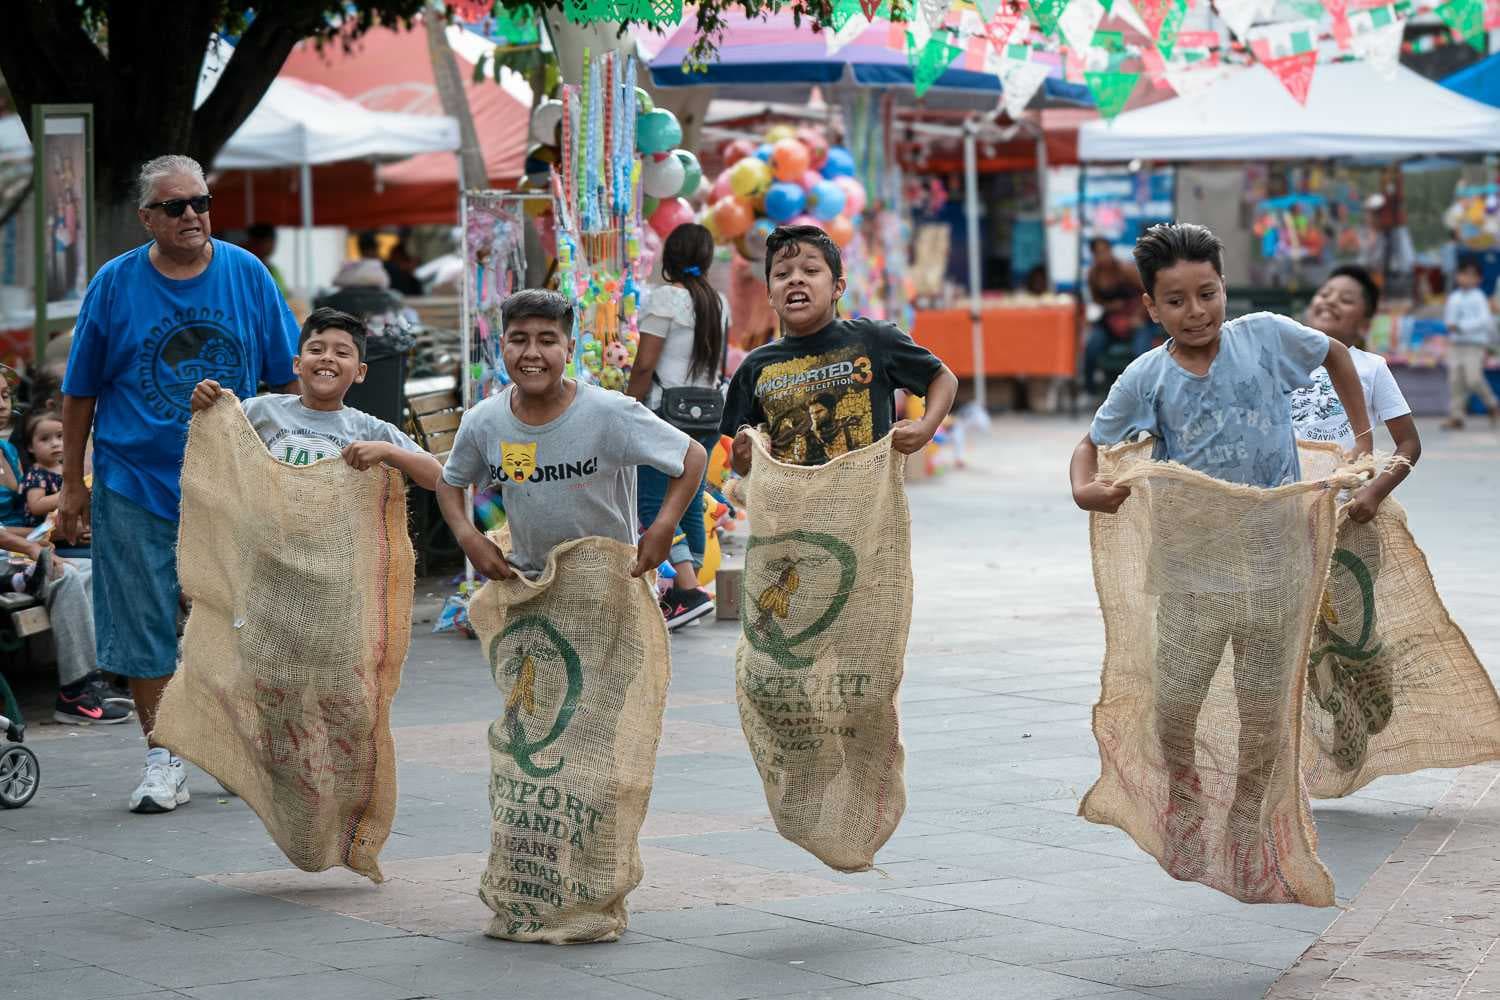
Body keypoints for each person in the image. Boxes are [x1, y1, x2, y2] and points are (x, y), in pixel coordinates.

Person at [1069, 222, 1373, 885]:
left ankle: (1245, 819)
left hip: (1275, 565)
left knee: (1264, 714)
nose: (1196, 311)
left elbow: (1336, 355)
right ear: (1151, 307)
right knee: (1174, 707)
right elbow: (1090, 443)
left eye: (1207, 293)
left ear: (1224, 288)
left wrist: (1362, 440)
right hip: (1189, 572)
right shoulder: (1146, 376)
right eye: (1175, 301)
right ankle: (1183, 796)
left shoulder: (1264, 337)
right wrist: (1083, 488)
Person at [59, 154, 300, 813]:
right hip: (134, 478)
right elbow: (79, 391)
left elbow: (285, 381)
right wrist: (73, 484)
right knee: (143, 624)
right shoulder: (114, 284)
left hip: (233, 481)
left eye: (202, 202)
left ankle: (227, 742)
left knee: (237, 619)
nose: (193, 215)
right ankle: (164, 756)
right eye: (175, 207)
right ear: (147, 219)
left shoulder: (247, 275)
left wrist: (289, 464)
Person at [436, 289, 707, 585]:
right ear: (502, 346)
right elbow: (450, 482)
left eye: (548, 340)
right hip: (529, 586)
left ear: (570, 349)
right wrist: (468, 536)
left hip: (610, 585)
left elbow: (692, 455)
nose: (531, 352)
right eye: (518, 339)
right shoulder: (483, 421)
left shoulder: (609, 412)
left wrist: (664, 526)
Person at [721, 225, 958, 475]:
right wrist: (741, 456)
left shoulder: (874, 339)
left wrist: (926, 427)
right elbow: (740, 462)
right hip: (791, 512)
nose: (795, 279)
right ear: (770, 294)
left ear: (838, 288)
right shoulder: (755, 366)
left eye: (811, 270)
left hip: (866, 508)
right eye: (781, 274)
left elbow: (942, 378)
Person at [190, 307, 441, 489]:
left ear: (360, 372)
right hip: (264, 553)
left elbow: (438, 478)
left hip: (334, 557)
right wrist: (204, 406)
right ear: (297, 364)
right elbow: (211, 446)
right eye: (316, 349)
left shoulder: (368, 429)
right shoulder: (259, 409)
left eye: (342, 352)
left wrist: (388, 451)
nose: (327, 358)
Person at [626, 224, 729, 629]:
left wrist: (627, 406)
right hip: (705, 414)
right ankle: (692, 587)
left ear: (669, 258)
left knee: (652, 501)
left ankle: (686, 589)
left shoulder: (665, 299)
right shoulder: (718, 302)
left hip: (664, 414)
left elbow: (645, 362)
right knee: (691, 500)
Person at [1292, 264, 1421, 518]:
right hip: (1284, 499)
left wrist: (1375, 493)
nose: (1330, 302)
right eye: (1325, 294)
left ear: (1364, 323)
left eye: (1346, 300)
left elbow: (1409, 443)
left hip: (1341, 505)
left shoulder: (1372, 367)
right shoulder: (1281, 360)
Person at [1083, 237, 1154, 394]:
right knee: (1092, 347)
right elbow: (1097, 299)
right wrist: (1110, 306)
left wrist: (1137, 316)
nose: (1103, 256)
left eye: (1105, 251)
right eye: (1098, 253)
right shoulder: (1093, 275)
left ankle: (1143, 391)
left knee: (1140, 353)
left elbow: (1148, 293)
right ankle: (1090, 389)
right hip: (1111, 322)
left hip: (1136, 318)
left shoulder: (1125, 270)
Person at [1440, 260, 1498, 430]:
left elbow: (1485, 320)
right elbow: (1449, 320)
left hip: (1474, 344)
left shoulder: (1479, 297)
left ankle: (1492, 404)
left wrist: (1462, 327)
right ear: (1458, 276)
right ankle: (1456, 416)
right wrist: (1452, 326)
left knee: (1474, 378)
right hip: (1456, 344)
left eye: (1472, 275)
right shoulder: (1454, 297)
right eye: (1464, 274)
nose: (1467, 278)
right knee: (1455, 380)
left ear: (1478, 279)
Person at [243, 223, 290, 300]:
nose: (272, 245)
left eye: (272, 241)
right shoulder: (244, 269)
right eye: (268, 241)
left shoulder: (273, 270)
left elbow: (284, 296)